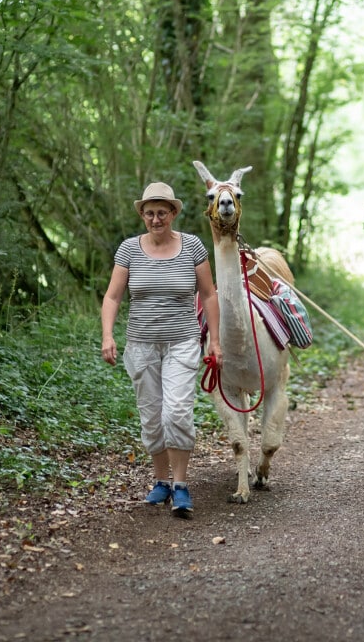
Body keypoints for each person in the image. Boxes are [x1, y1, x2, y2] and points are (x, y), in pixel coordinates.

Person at [101, 182, 221, 517]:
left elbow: (209, 295)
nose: (156, 219)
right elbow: (112, 297)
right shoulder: (129, 250)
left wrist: (215, 340)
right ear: (142, 214)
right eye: (150, 213)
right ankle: (160, 481)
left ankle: (181, 486)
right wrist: (108, 335)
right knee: (152, 417)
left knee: (177, 412)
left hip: (182, 342)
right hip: (141, 345)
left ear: (173, 213)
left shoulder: (192, 246)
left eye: (162, 212)